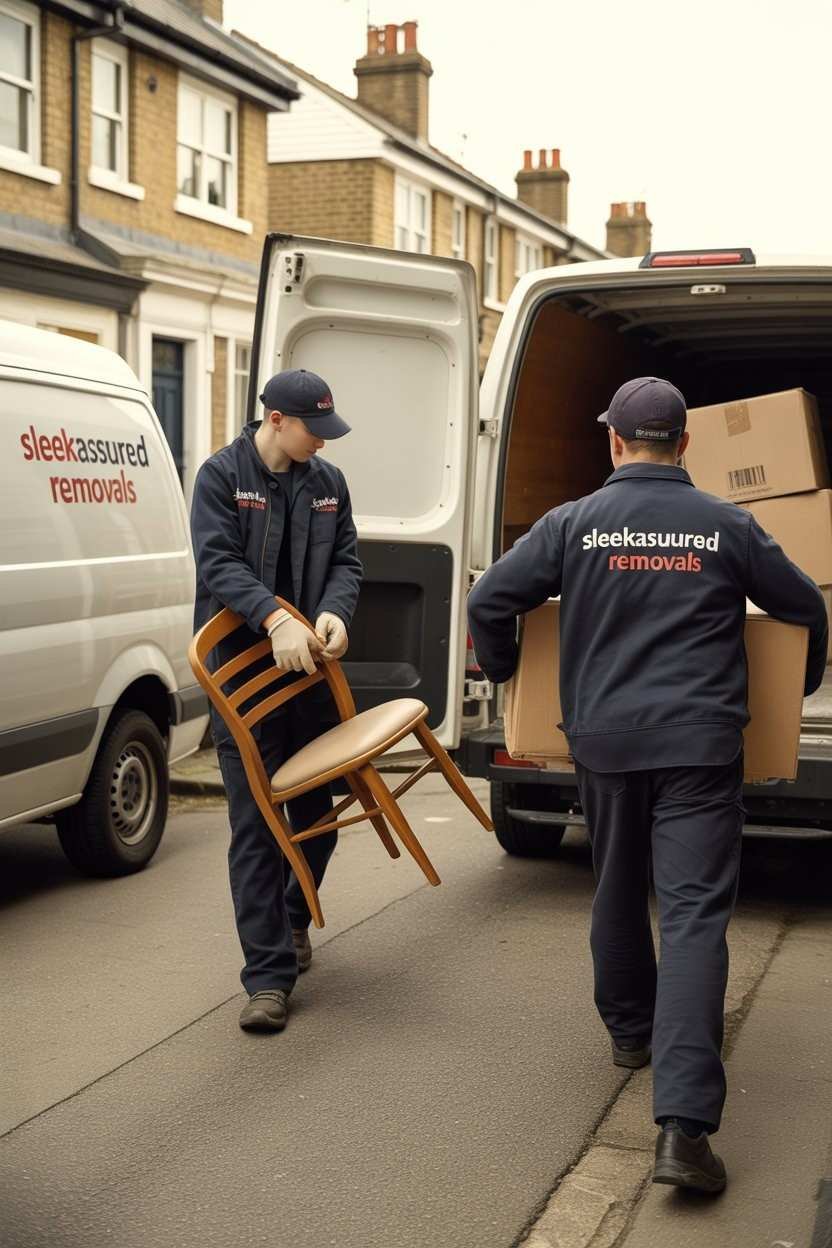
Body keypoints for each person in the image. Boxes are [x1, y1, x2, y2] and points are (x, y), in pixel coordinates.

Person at [467, 376, 827, 1193]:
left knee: (619, 888)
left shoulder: (573, 523)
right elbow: (806, 607)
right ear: (685, 444)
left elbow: (490, 598)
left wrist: (508, 669)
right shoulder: (728, 525)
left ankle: (632, 1034)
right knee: (695, 917)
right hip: (701, 746)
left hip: (605, 742)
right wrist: (797, 685)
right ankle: (684, 1134)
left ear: (614, 441)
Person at [191, 368, 362, 1034]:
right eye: (313, 429)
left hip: (309, 676)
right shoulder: (219, 477)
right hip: (241, 682)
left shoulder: (329, 484)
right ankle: (266, 978)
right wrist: (273, 618)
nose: (323, 441)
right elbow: (218, 564)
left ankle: (292, 918)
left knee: (318, 813)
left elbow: (346, 560)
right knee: (258, 824)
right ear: (276, 420)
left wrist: (335, 610)